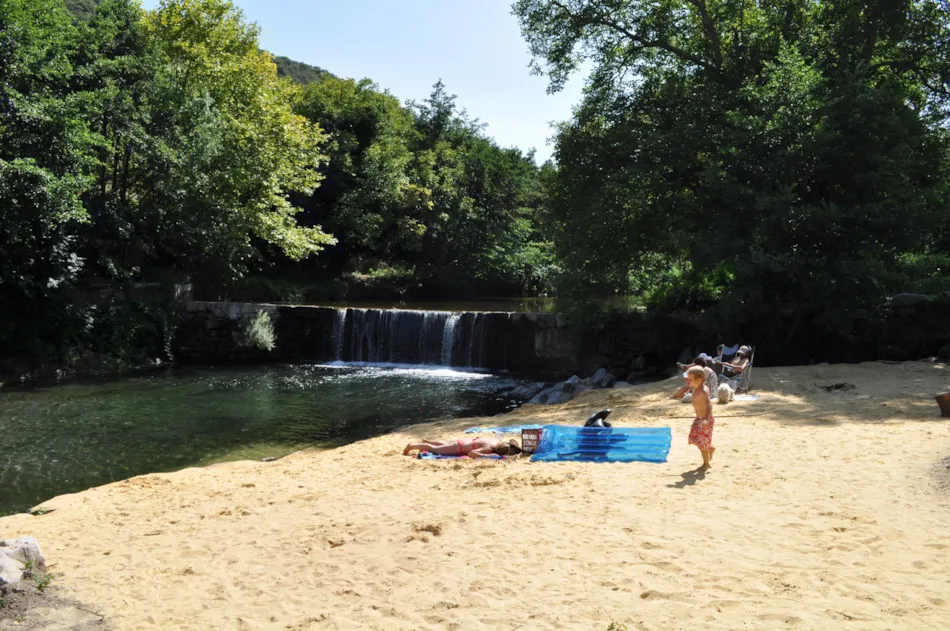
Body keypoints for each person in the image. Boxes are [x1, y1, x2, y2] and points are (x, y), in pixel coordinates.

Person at [686, 366, 715, 469]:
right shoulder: (695, 388)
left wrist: (706, 418)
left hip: (705, 420)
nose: (688, 381)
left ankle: (706, 464)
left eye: (690, 379)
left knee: (702, 442)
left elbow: (709, 405)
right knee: (696, 439)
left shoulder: (703, 391)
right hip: (698, 419)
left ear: (699, 380)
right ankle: (710, 449)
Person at [403, 437, 523, 458]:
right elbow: (472, 454)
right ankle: (411, 446)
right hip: (460, 448)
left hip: (463, 442)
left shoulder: (496, 441)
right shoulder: (488, 449)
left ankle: (428, 441)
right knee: (435, 450)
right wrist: (487, 455)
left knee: (445, 444)